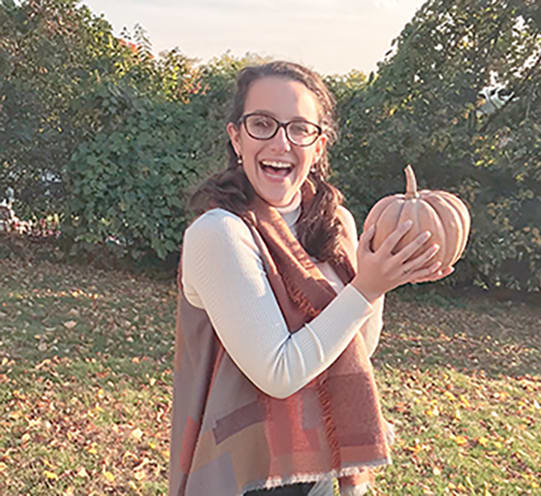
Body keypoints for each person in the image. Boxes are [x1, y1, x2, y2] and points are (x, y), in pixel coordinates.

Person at [169, 61, 453, 496]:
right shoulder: (218, 233)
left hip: (318, 464)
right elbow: (279, 373)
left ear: (318, 145)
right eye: (262, 124)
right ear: (236, 137)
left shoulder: (334, 220)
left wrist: (381, 281)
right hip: (243, 474)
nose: (281, 142)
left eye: (300, 128)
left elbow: (355, 346)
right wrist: (367, 287)